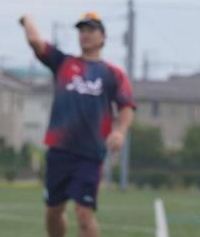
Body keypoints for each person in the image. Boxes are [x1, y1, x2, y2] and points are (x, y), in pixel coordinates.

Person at [20, 12, 135, 237]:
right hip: (59, 151)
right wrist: (26, 19)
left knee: (84, 214)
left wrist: (120, 131)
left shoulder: (113, 74)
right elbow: (36, 43)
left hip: (90, 153)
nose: (85, 34)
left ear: (103, 37)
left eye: (91, 30)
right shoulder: (64, 63)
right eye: (82, 30)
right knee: (54, 211)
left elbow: (126, 106)